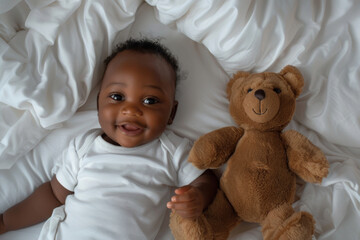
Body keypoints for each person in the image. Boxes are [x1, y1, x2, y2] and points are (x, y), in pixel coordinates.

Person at [0, 39, 218, 239]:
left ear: (171, 113)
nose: (131, 109)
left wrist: (198, 197)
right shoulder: (85, 147)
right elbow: (54, 195)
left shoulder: (170, 150)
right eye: (117, 97)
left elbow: (205, 179)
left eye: (150, 101)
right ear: (98, 105)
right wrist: (6, 221)